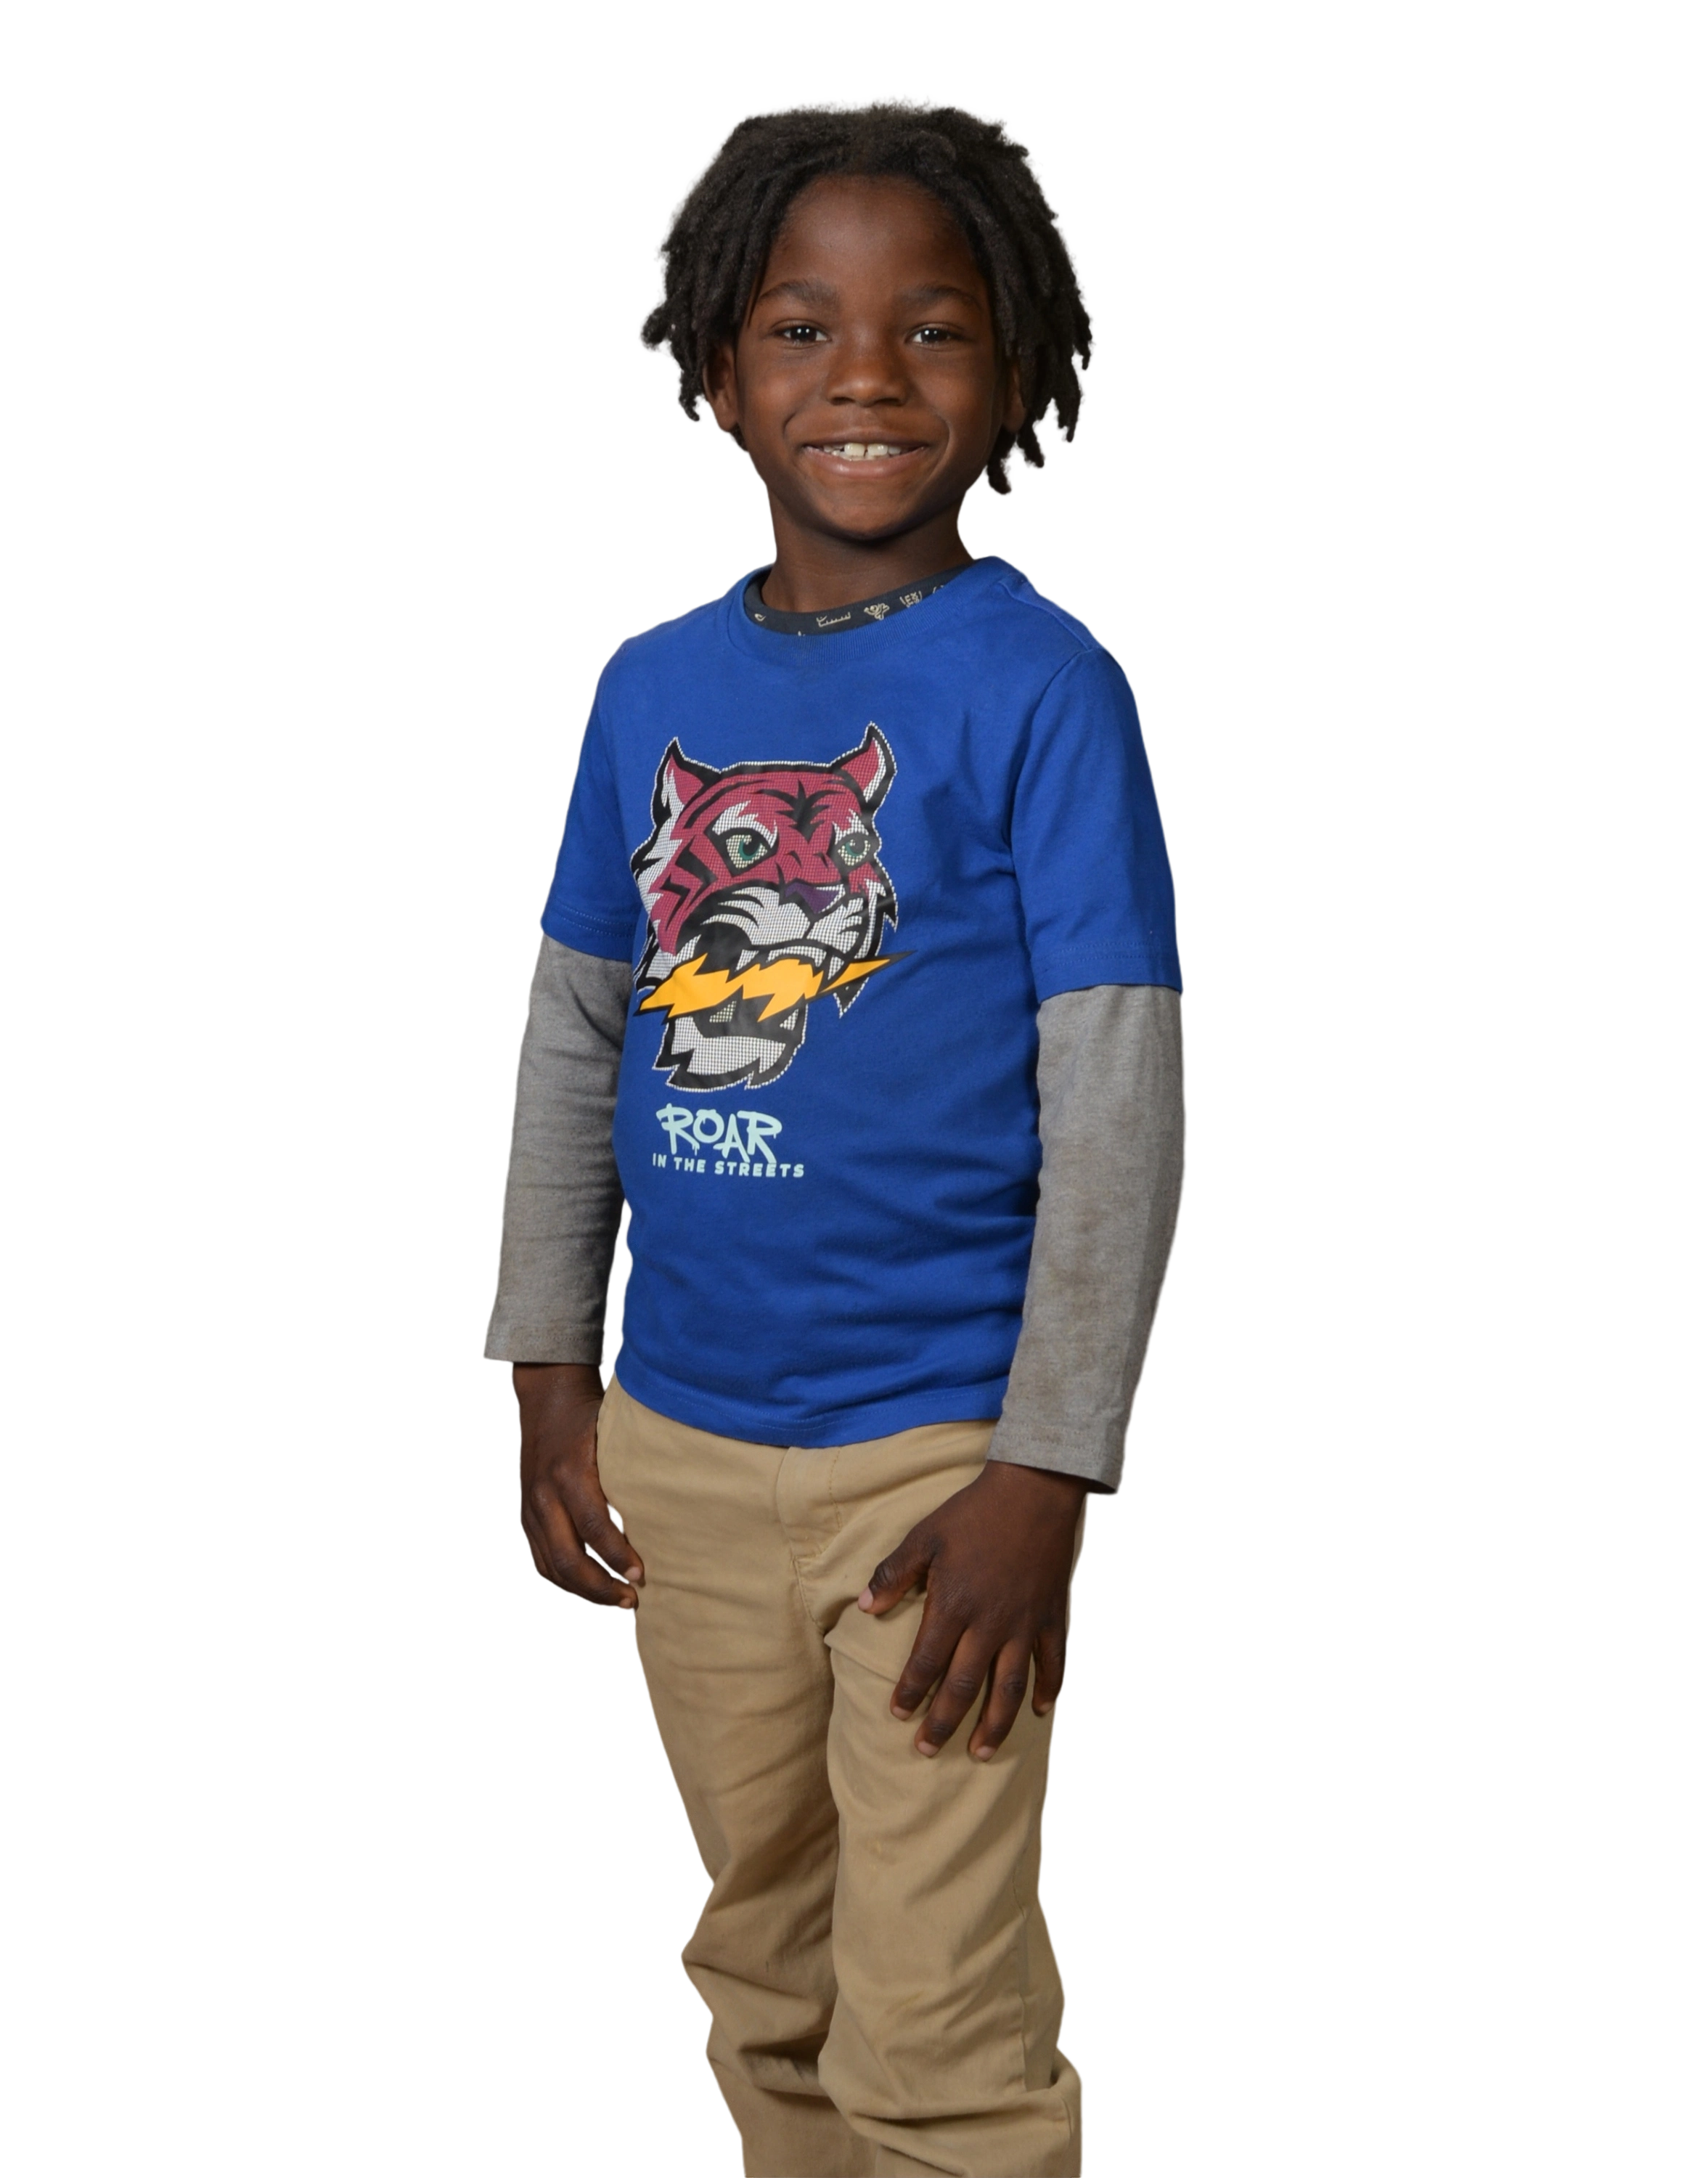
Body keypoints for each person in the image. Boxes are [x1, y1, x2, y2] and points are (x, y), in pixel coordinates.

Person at [483, 91, 1188, 2178]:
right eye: (802, 328)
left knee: (940, 2026)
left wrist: (1045, 1472)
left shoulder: (1047, 687)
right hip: (681, 1452)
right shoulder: (648, 691)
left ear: (1016, 371)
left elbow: (1120, 1098)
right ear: (718, 372)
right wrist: (550, 1379)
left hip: (937, 1468)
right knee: (764, 1964)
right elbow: (571, 1041)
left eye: (932, 328)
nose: (865, 376)